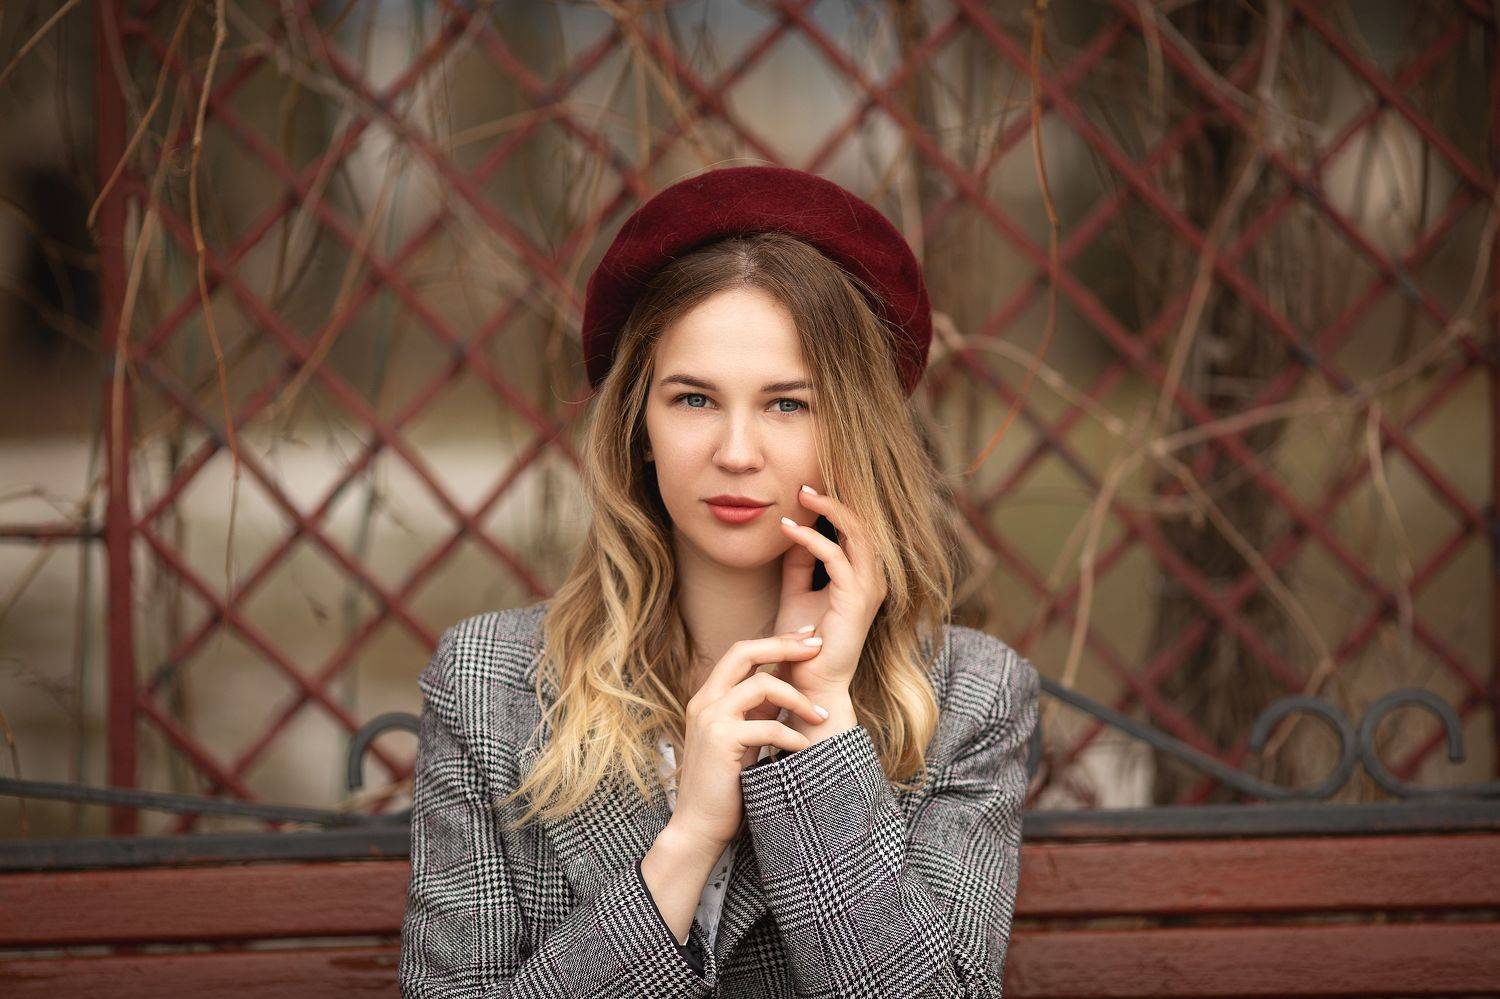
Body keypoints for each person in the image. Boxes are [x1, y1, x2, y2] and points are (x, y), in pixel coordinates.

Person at [398, 165, 1041, 998]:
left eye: (788, 404)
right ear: (640, 425)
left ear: (854, 430)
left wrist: (822, 722)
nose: (736, 453)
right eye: (695, 399)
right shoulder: (490, 686)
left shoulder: (969, 697)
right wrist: (688, 840)